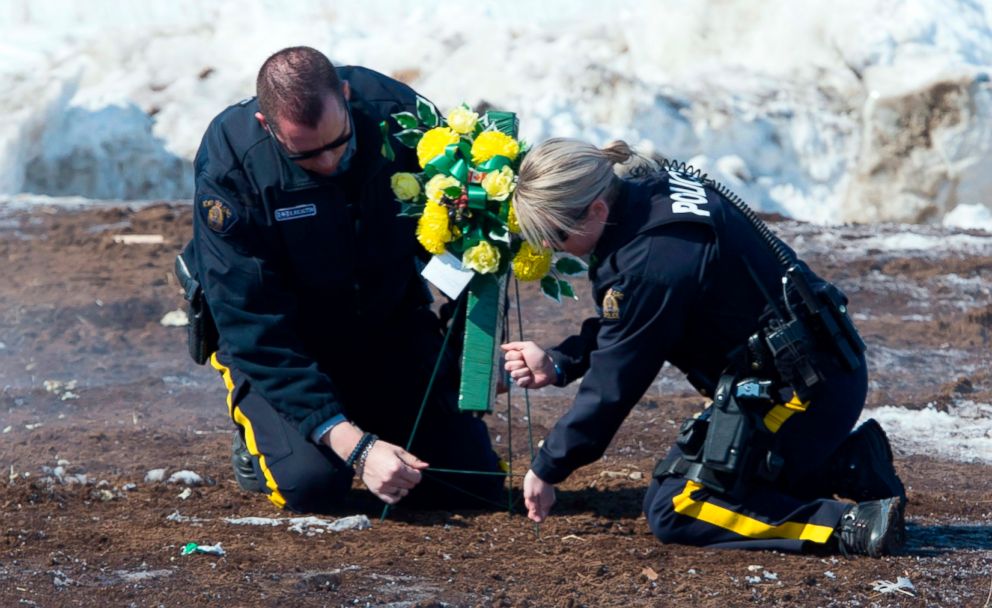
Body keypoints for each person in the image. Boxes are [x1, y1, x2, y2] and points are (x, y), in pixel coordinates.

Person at [501, 138, 907, 556]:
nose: (548, 246)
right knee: (731, 477)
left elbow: (614, 384)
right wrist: (560, 361)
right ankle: (847, 464)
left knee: (678, 505)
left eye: (553, 233)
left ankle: (851, 526)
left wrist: (548, 465)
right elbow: (629, 319)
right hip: (814, 370)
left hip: (805, 392)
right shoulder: (651, 192)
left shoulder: (652, 260)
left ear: (597, 210)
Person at [176, 46, 502, 514]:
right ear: (269, 128)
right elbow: (251, 324)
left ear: (346, 97)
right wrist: (359, 448)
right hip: (288, 340)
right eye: (308, 154)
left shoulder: (405, 122)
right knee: (314, 488)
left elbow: (465, 245)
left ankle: (367, 411)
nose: (329, 163)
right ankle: (263, 438)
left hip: (386, 319)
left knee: (468, 483)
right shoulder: (233, 164)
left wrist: (469, 361)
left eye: (339, 143)